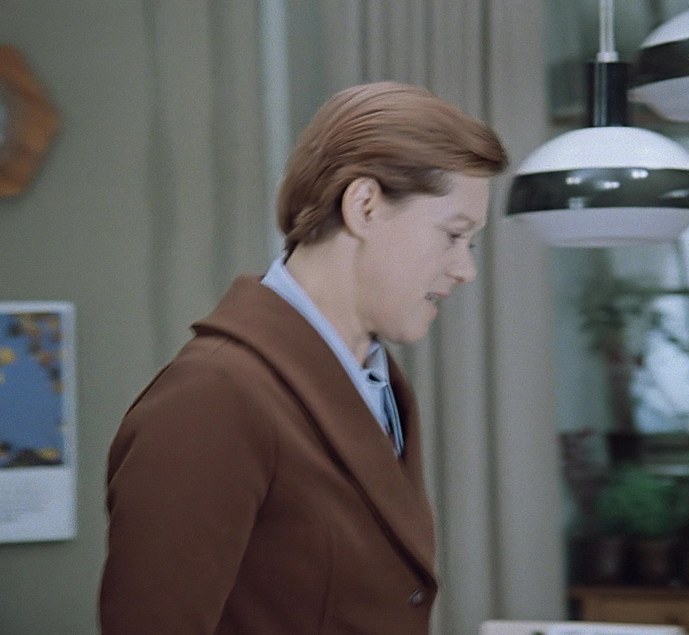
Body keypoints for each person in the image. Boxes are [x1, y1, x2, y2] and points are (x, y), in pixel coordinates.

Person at [99, 81, 508, 634]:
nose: (465, 270)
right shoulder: (213, 396)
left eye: (471, 244)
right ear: (364, 206)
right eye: (453, 235)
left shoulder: (379, 384)